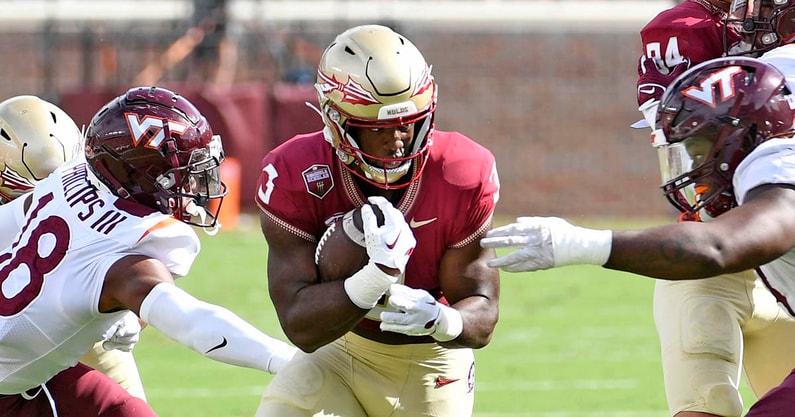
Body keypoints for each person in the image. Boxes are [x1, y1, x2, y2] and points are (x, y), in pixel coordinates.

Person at [480, 56, 795, 416]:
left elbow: (719, 247)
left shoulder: (777, 167)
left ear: (743, 137)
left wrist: (581, 244)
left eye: (697, 149)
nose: (692, 168)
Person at [0, 86, 297, 416]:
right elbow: (194, 323)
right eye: (183, 173)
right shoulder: (125, 266)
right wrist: (285, 359)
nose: (193, 186)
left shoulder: (71, 178)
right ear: (142, 174)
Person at [254, 24, 501, 417]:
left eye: (409, 122)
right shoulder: (295, 172)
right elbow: (300, 325)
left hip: (429, 362)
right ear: (335, 120)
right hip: (337, 349)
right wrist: (376, 276)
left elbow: (483, 313)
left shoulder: (461, 171)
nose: (398, 139)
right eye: (377, 129)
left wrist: (441, 319)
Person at [632, 2, 795, 416]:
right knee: (707, 404)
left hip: (785, 270)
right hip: (712, 257)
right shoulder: (686, 28)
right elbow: (687, 137)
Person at [0, 94, 150, 401]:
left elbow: (142, 270)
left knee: (130, 404)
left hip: (78, 323)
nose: (58, 200)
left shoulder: (94, 185)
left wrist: (130, 315)